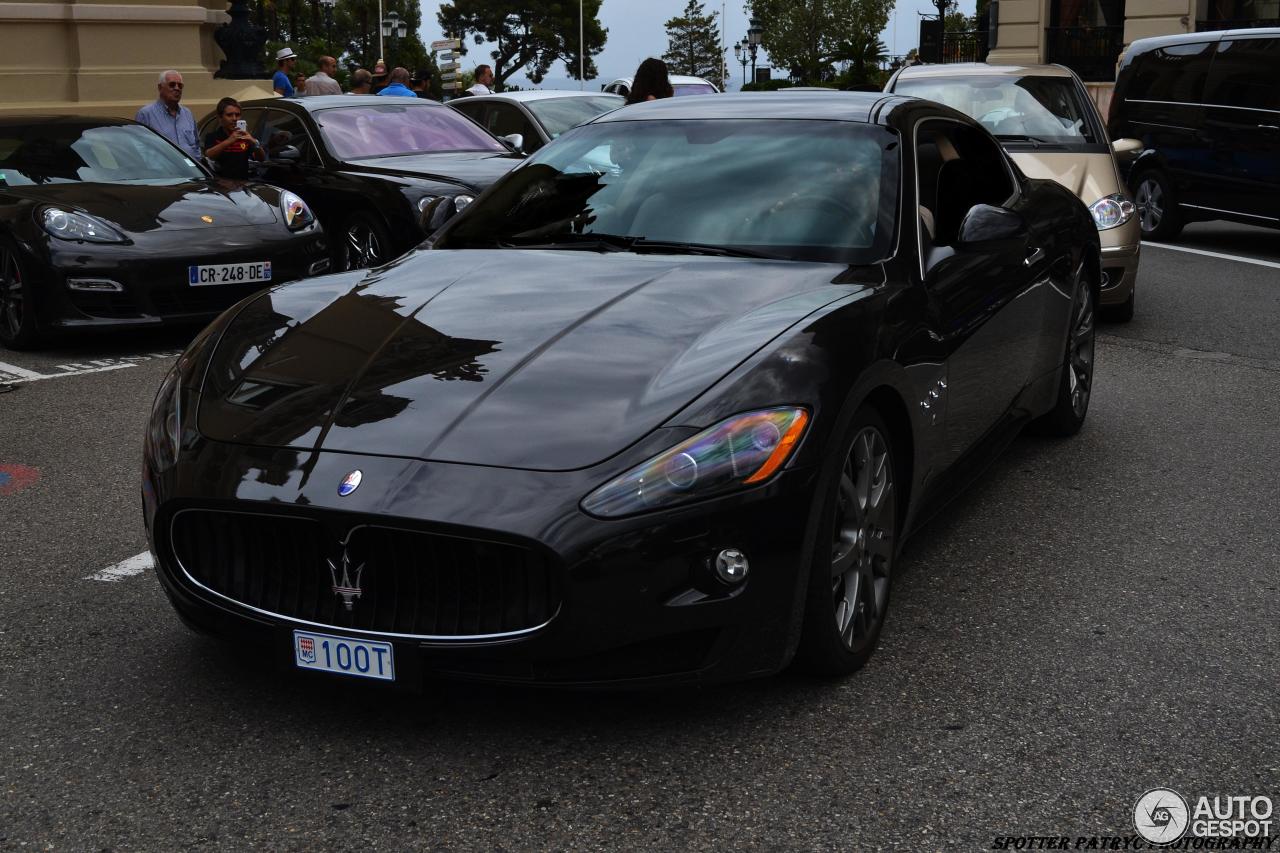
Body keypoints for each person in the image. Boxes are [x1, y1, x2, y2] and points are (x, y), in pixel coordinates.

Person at [135, 70, 201, 160]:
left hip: (191, 171)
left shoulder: (188, 114)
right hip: (163, 172)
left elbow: (196, 145)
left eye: (180, 86)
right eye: (172, 85)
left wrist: (198, 163)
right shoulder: (146, 114)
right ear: (160, 87)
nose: (177, 88)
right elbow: (139, 147)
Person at [203, 97, 264, 179]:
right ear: (220, 118)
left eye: (237, 115)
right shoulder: (213, 136)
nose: (234, 119)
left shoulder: (245, 137)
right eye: (229, 115)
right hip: (220, 185)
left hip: (242, 184)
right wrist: (230, 140)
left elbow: (261, 158)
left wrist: (253, 142)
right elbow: (209, 155)